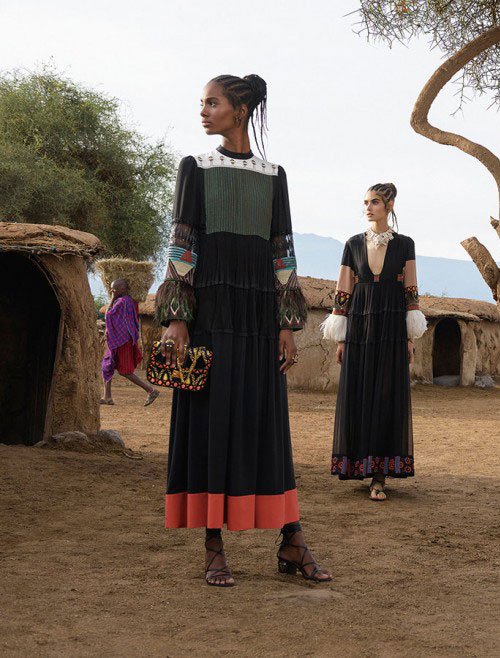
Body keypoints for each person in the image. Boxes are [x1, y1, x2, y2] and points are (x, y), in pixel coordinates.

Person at [155, 73, 330, 586]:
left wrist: (287, 324)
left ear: (241, 107)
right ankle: (213, 546)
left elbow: (283, 251)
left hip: (258, 322)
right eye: (202, 103)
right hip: (208, 319)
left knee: (265, 423)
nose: (203, 111)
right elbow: (182, 246)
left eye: (212, 102)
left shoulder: (274, 175)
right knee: (212, 425)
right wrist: (178, 319)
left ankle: (291, 541)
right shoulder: (196, 167)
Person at [321, 183, 427, 501]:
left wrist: (409, 336)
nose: (368, 207)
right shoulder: (352, 244)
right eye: (366, 202)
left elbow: (411, 291)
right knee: (359, 393)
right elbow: (343, 291)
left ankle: (379, 476)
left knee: (386, 397)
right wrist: (341, 339)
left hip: (392, 327)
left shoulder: (405, 245)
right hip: (359, 327)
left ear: (390, 205)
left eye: (375, 202)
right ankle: (359, 465)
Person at [100, 279, 159, 406]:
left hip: (122, 340)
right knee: (107, 365)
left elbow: (109, 315)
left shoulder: (122, 302)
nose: (112, 291)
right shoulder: (131, 302)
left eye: (114, 289)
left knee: (125, 371)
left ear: (122, 289)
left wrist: (111, 298)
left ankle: (150, 390)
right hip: (121, 339)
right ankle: (107, 397)